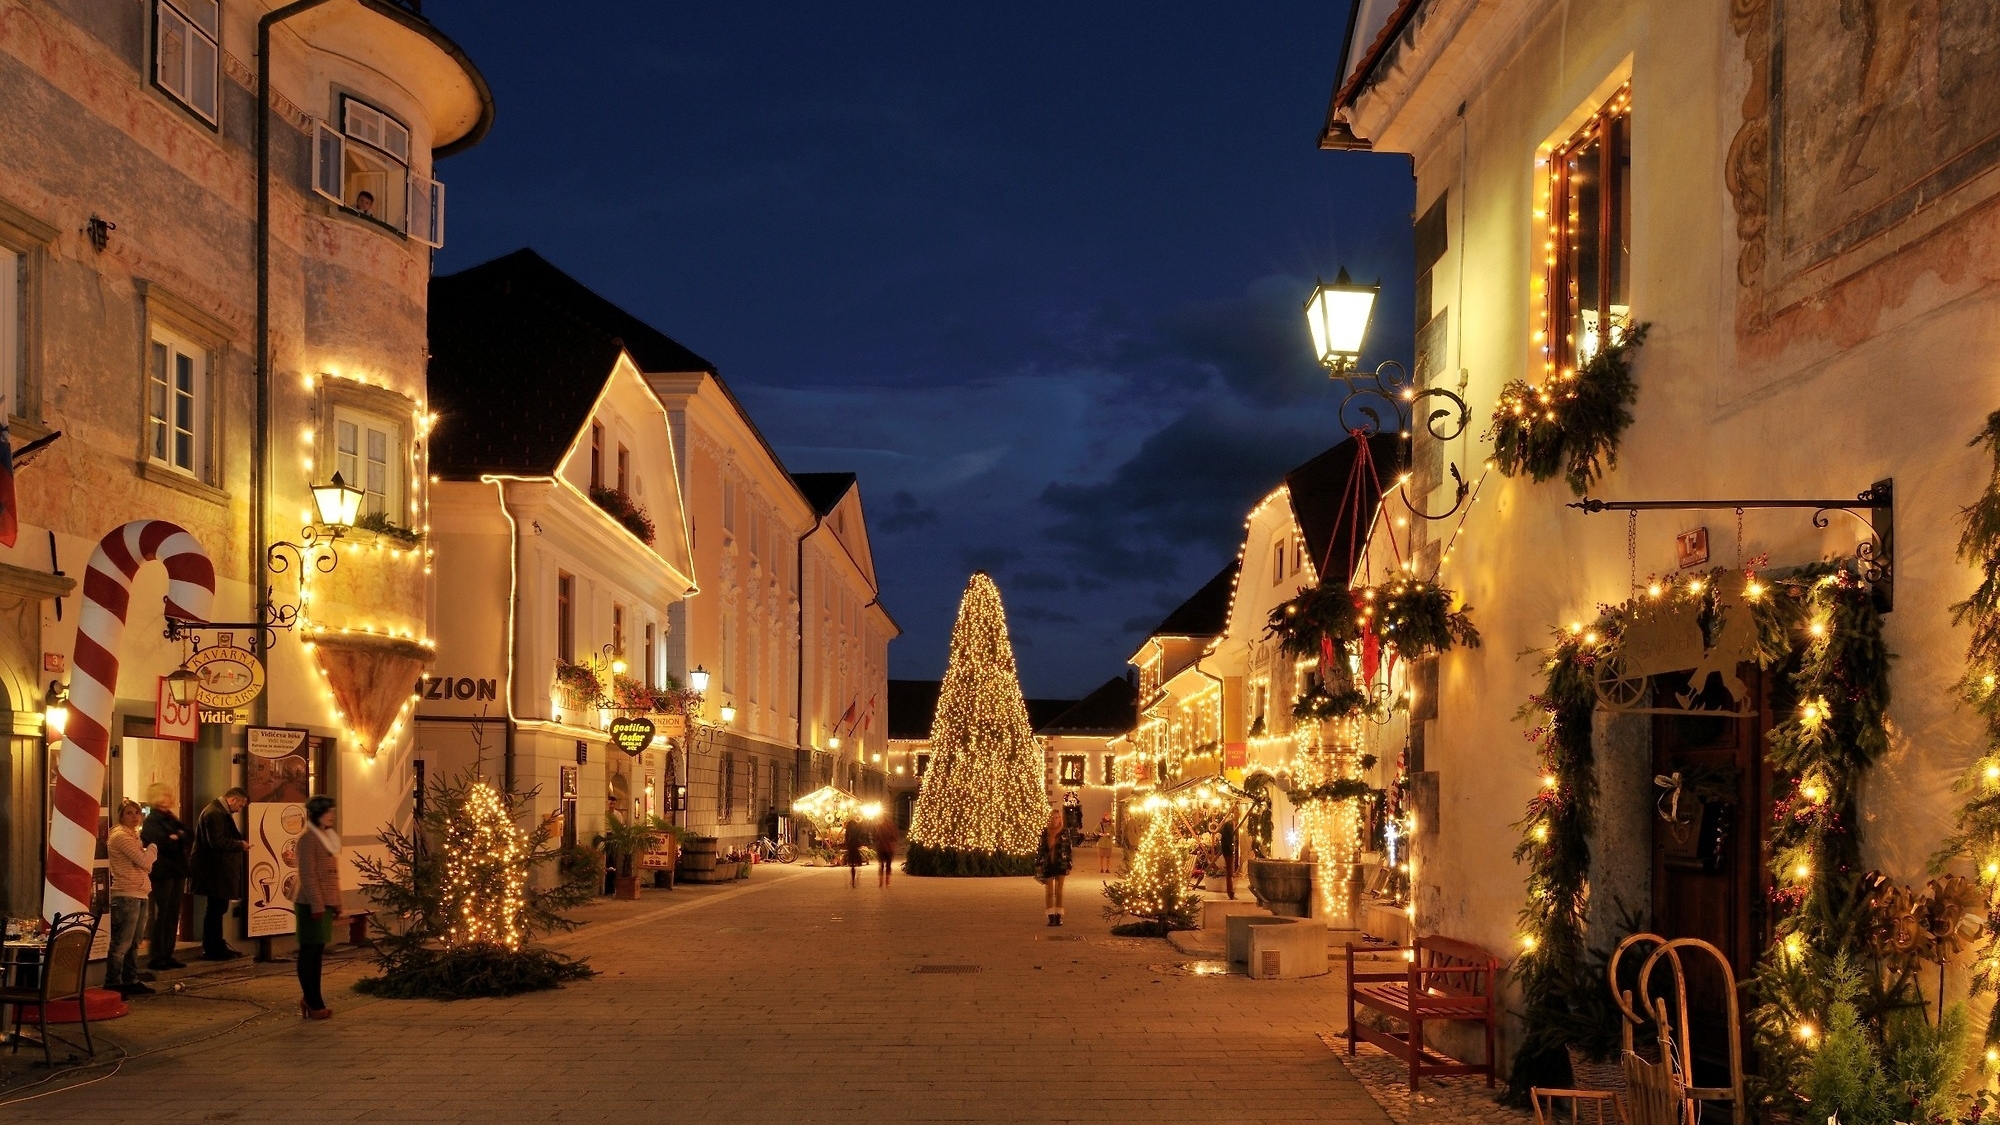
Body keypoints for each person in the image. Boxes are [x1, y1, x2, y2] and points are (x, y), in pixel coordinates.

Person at [294, 795, 341, 1020]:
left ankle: (314, 999)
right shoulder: (308, 839)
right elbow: (308, 875)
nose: (332, 816)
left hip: (325, 902)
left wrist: (337, 902)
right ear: (317, 814)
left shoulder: (326, 837)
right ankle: (312, 1001)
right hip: (310, 903)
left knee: (318, 952)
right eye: (328, 811)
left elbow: (332, 875)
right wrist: (317, 904)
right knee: (309, 951)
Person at [190, 786, 250, 960]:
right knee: (215, 910)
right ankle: (213, 948)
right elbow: (216, 841)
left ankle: (217, 945)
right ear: (233, 799)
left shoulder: (218, 811)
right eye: (240, 805)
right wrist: (239, 844)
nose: (239, 809)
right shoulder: (214, 813)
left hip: (218, 871)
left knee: (218, 909)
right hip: (214, 871)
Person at [105, 799, 157, 995]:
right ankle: (113, 983)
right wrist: (153, 849)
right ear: (120, 816)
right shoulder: (121, 836)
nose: (134, 816)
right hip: (126, 894)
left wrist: (146, 856)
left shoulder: (134, 836)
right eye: (129, 813)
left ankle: (131, 980)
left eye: (137, 812)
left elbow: (144, 864)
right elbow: (144, 862)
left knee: (135, 942)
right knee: (121, 943)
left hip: (140, 892)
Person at [143, 784, 191, 970]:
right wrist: (176, 837)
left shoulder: (171, 818)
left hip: (177, 870)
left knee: (173, 913)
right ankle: (157, 956)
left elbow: (189, 835)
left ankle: (168, 953)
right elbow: (161, 844)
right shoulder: (152, 821)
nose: (170, 798)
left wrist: (177, 836)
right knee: (162, 914)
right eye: (166, 795)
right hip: (163, 871)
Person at [1037, 808, 1073, 927]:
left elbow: (1068, 849)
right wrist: (1038, 863)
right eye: (1052, 817)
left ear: (1060, 819)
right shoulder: (1045, 832)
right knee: (1049, 892)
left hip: (1061, 863)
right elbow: (1040, 848)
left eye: (1057, 817)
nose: (1054, 820)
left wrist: (1069, 864)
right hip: (1048, 864)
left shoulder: (1064, 832)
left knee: (1059, 892)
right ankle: (1050, 917)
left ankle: (1058, 916)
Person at [873, 816, 900, 888]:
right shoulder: (892, 827)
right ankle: (887, 882)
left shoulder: (879, 827)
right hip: (889, 848)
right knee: (888, 865)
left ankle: (881, 881)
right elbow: (895, 837)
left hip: (881, 848)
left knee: (881, 865)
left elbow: (876, 837)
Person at [1219, 815, 1239, 900]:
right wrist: (1231, 848)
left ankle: (1230, 891)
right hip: (1228, 851)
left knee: (1229, 871)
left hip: (1227, 850)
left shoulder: (1227, 825)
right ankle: (1230, 891)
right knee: (1229, 871)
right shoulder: (1228, 825)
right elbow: (1228, 839)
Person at [841, 817, 864, 888]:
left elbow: (846, 838)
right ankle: (856, 879)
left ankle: (853, 880)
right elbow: (860, 836)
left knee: (852, 866)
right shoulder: (857, 829)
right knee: (857, 864)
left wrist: (847, 845)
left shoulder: (848, 830)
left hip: (851, 848)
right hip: (855, 848)